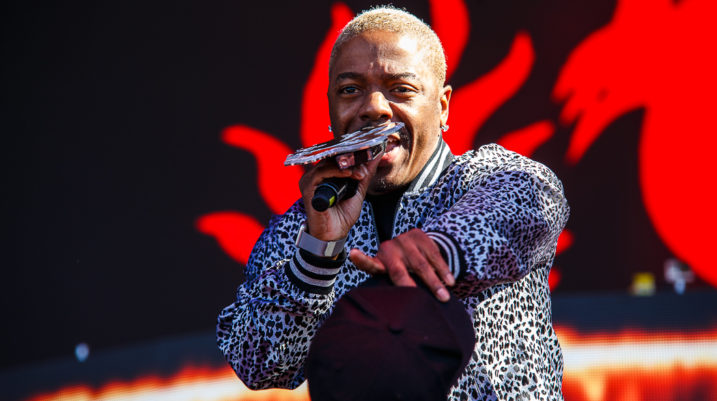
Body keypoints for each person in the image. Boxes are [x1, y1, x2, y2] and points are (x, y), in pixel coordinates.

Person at [217, 6, 569, 401]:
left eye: (400, 89)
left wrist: (440, 250)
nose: (374, 108)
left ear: (443, 106)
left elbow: (530, 198)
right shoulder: (300, 228)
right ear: (330, 107)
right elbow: (257, 364)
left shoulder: (487, 179)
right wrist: (318, 254)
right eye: (350, 90)